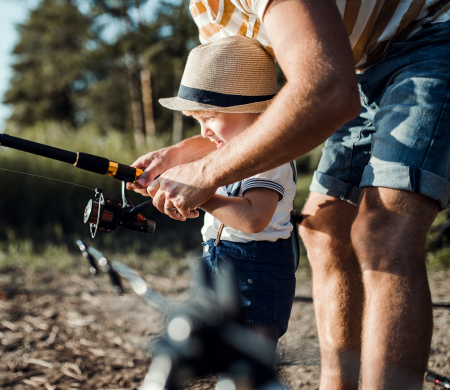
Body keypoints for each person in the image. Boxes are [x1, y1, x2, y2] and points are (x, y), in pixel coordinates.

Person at [127, 0, 450, 388]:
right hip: (360, 64)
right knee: (324, 229)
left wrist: (205, 178)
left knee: (383, 231)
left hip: (430, 35)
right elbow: (231, 108)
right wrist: (179, 155)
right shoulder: (208, 10)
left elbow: (325, 89)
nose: (203, 126)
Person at [158, 35, 297, 343]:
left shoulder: (269, 157)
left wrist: (201, 193)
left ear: (253, 110)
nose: (204, 131)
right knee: (221, 351)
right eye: (197, 120)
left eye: (209, 117)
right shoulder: (223, 153)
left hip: (254, 273)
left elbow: (252, 218)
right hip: (218, 259)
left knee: (245, 362)